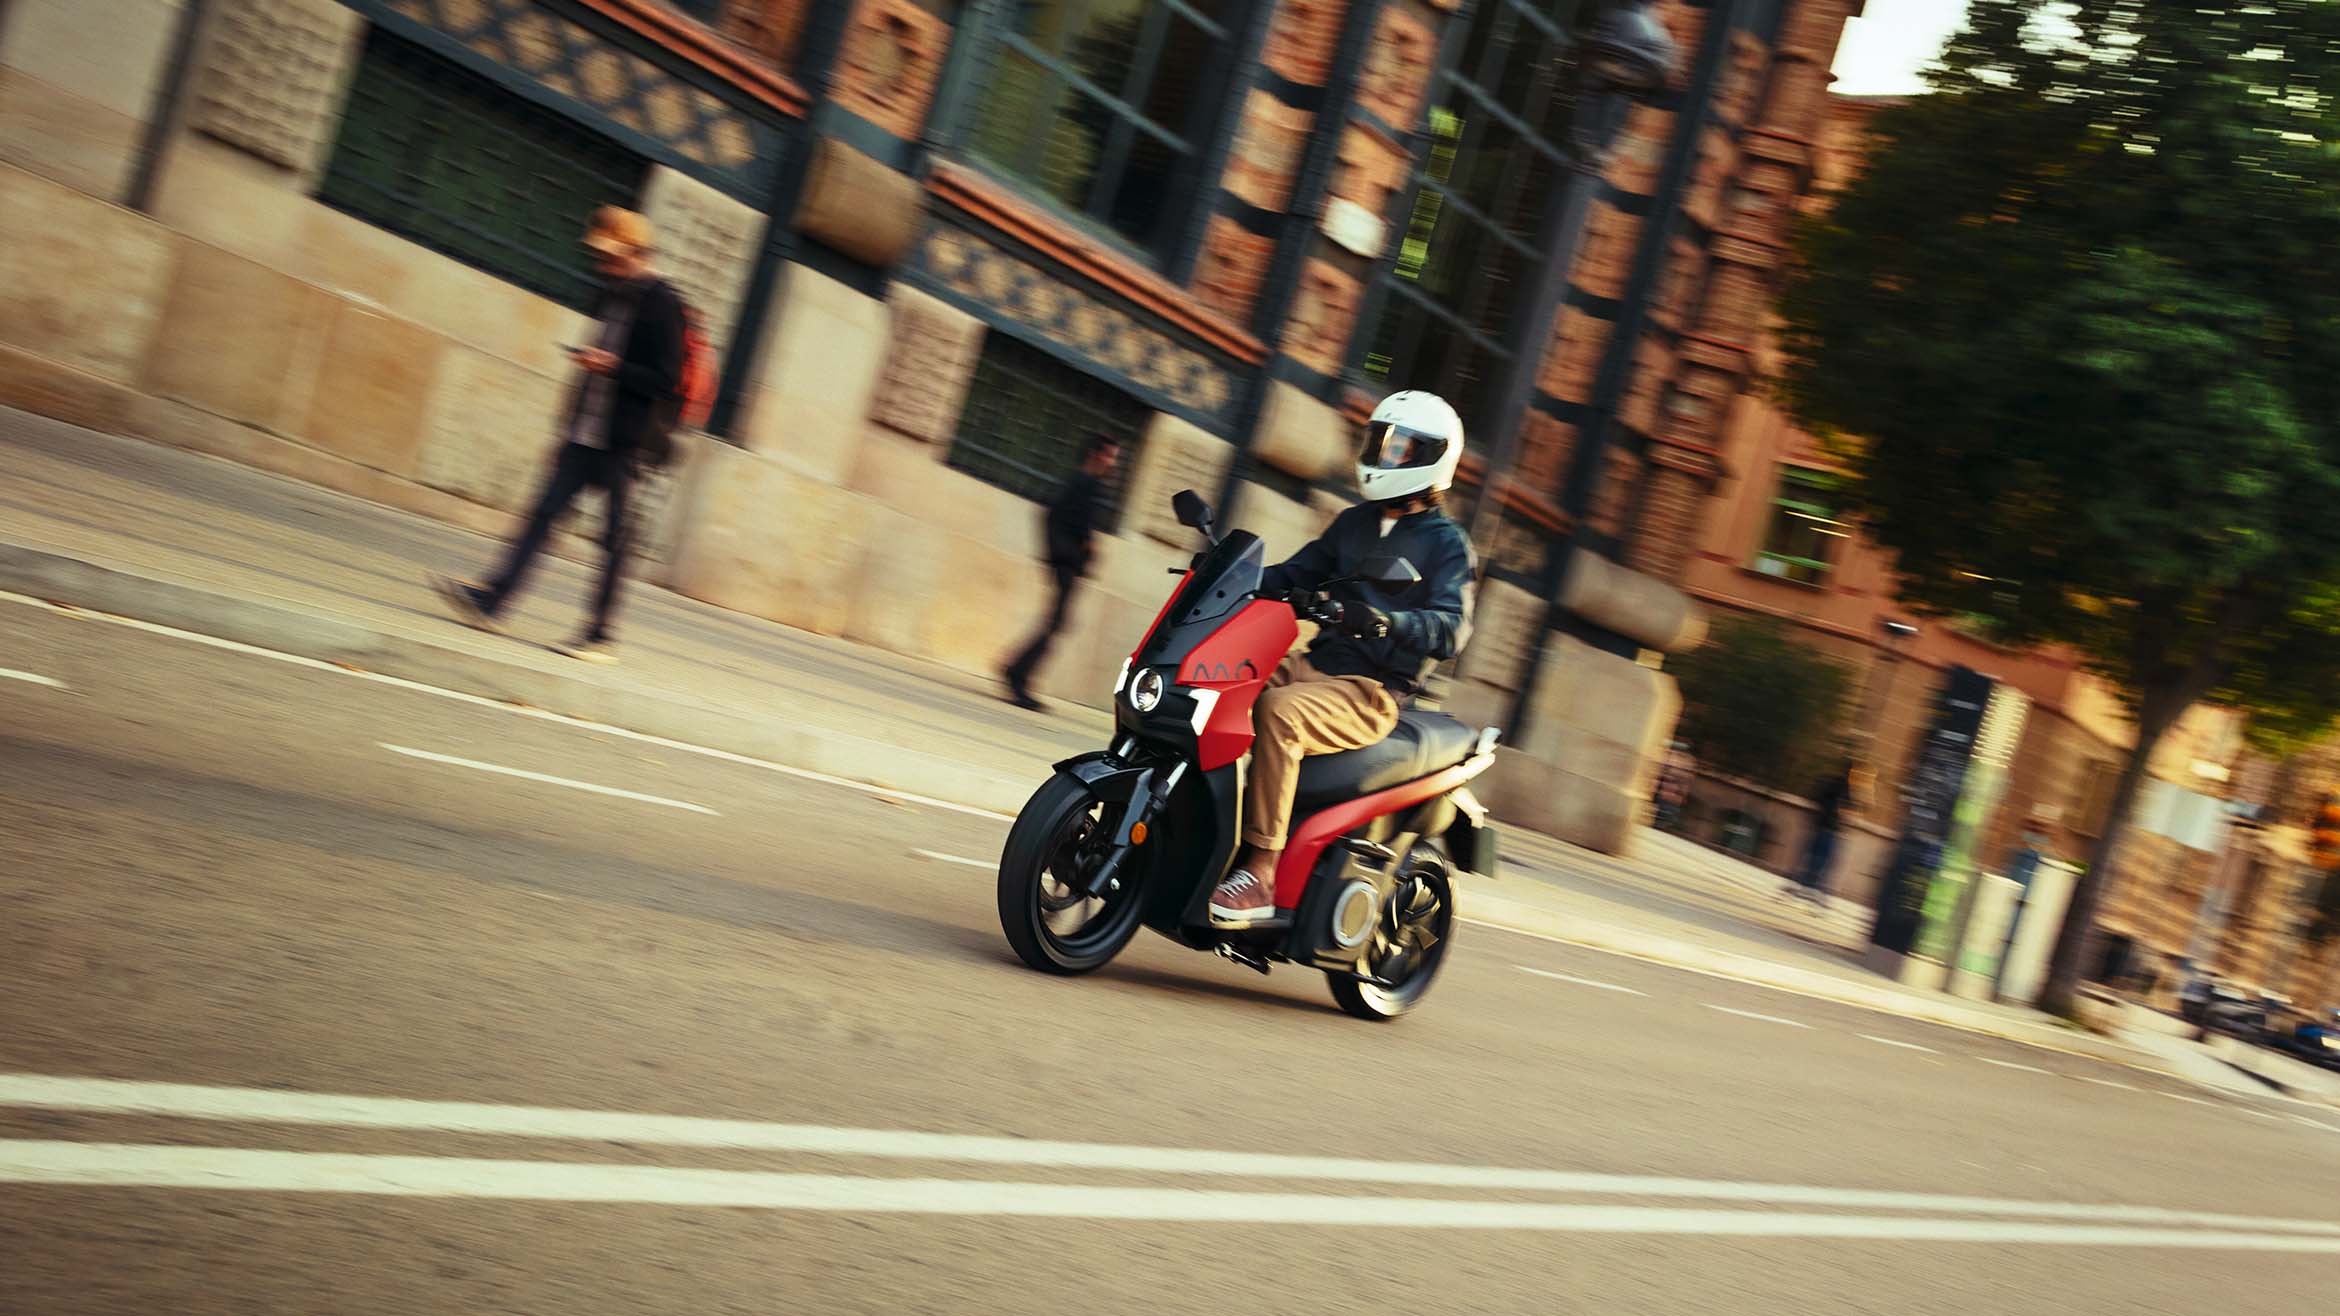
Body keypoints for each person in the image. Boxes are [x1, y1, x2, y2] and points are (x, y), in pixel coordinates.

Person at [1207, 391, 1475, 927]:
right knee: (1212, 683)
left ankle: (1261, 867)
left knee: (1279, 713)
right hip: (1313, 662)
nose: (1385, 456)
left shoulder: (1448, 545)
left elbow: (1452, 628)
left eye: (1400, 449)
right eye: (1381, 443)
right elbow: (1294, 574)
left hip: (1368, 690)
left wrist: (1386, 622)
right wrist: (1227, 575)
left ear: (1432, 458)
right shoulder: (1354, 524)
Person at [434, 206, 687, 664]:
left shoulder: (663, 303)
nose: (601, 263)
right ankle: (492, 602)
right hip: (584, 435)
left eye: (610, 256)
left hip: (623, 444)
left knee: (614, 541)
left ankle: (599, 635)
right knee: (541, 517)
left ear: (635, 252)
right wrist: (569, 421)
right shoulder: (614, 294)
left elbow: (667, 380)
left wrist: (612, 367)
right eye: (599, 255)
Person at [1002, 434, 1122, 711]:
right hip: (1067, 564)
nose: (1113, 463)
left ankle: (1017, 672)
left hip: (1071, 564)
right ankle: (1017, 675)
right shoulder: (1081, 484)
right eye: (1109, 455)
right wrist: (1067, 552)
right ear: (1094, 454)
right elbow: (1052, 517)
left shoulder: (1090, 486)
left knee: (1057, 622)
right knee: (1056, 622)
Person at [1787, 758, 1868, 905]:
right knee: (1825, 860)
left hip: (1819, 824)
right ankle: (1814, 889)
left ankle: (1803, 885)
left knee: (1812, 855)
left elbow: (1814, 797)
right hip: (1830, 828)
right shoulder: (1845, 787)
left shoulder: (1829, 781)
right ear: (1851, 771)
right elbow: (1852, 807)